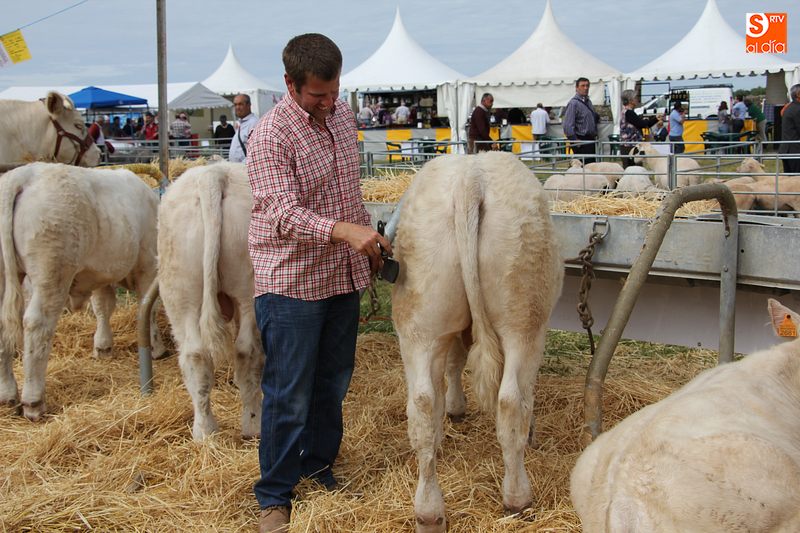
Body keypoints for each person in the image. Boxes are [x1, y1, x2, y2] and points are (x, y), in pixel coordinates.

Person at [246, 33, 392, 533]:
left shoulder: (343, 116)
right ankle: (274, 494)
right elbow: (281, 213)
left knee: (332, 383)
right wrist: (344, 232)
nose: (329, 102)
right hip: (291, 279)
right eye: (317, 95)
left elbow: (348, 193)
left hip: (339, 275)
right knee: (289, 392)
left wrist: (366, 239)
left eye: (334, 92)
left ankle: (318, 467)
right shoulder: (271, 135)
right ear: (289, 84)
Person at [619, 89, 661, 168]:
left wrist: (655, 119)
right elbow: (642, 124)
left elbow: (642, 124)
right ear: (630, 100)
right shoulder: (629, 113)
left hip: (628, 146)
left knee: (631, 169)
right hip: (630, 147)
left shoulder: (626, 112)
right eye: (635, 97)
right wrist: (655, 119)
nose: (637, 99)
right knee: (634, 170)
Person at [563, 77, 600, 164]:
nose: (586, 88)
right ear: (577, 88)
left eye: (587, 86)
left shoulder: (588, 102)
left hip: (590, 139)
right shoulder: (573, 103)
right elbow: (568, 125)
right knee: (583, 166)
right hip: (581, 139)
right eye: (583, 86)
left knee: (591, 166)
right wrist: (575, 140)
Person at [229, 93, 258, 163]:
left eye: (240, 104)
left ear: (248, 105)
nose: (237, 107)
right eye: (235, 105)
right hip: (236, 167)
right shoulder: (242, 123)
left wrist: (242, 166)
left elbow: (256, 151)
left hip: (244, 167)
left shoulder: (254, 123)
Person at [778, 83, 800, 174]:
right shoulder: (797, 109)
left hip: (787, 149)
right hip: (795, 150)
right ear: (798, 94)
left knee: (789, 179)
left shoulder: (789, 107)